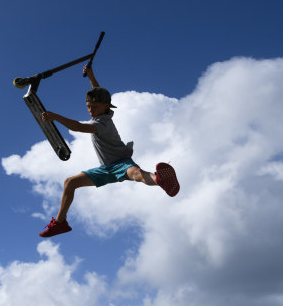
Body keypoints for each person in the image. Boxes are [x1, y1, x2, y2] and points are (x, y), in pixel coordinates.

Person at [39, 65, 180, 238]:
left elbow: (77, 127)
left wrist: (56, 117)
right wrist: (91, 75)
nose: (90, 110)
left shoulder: (102, 123)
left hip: (122, 162)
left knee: (137, 173)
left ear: (105, 107)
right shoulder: (102, 112)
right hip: (105, 169)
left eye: (94, 107)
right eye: (88, 107)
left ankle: (159, 179)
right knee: (70, 182)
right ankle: (60, 223)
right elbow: (97, 92)